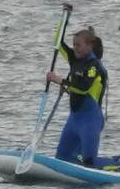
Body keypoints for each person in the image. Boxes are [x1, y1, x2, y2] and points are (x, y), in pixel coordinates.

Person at [46, 26, 109, 166]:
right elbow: (58, 42)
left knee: (89, 163)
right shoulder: (74, 59)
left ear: (89, 46)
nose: (75, 48)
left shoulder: (95, 66)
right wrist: (65, 18)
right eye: (74, 45)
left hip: (90, 121)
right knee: (61, 159)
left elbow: (83, 88)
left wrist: (59, 80)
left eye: (78, 45)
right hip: (74, 120)